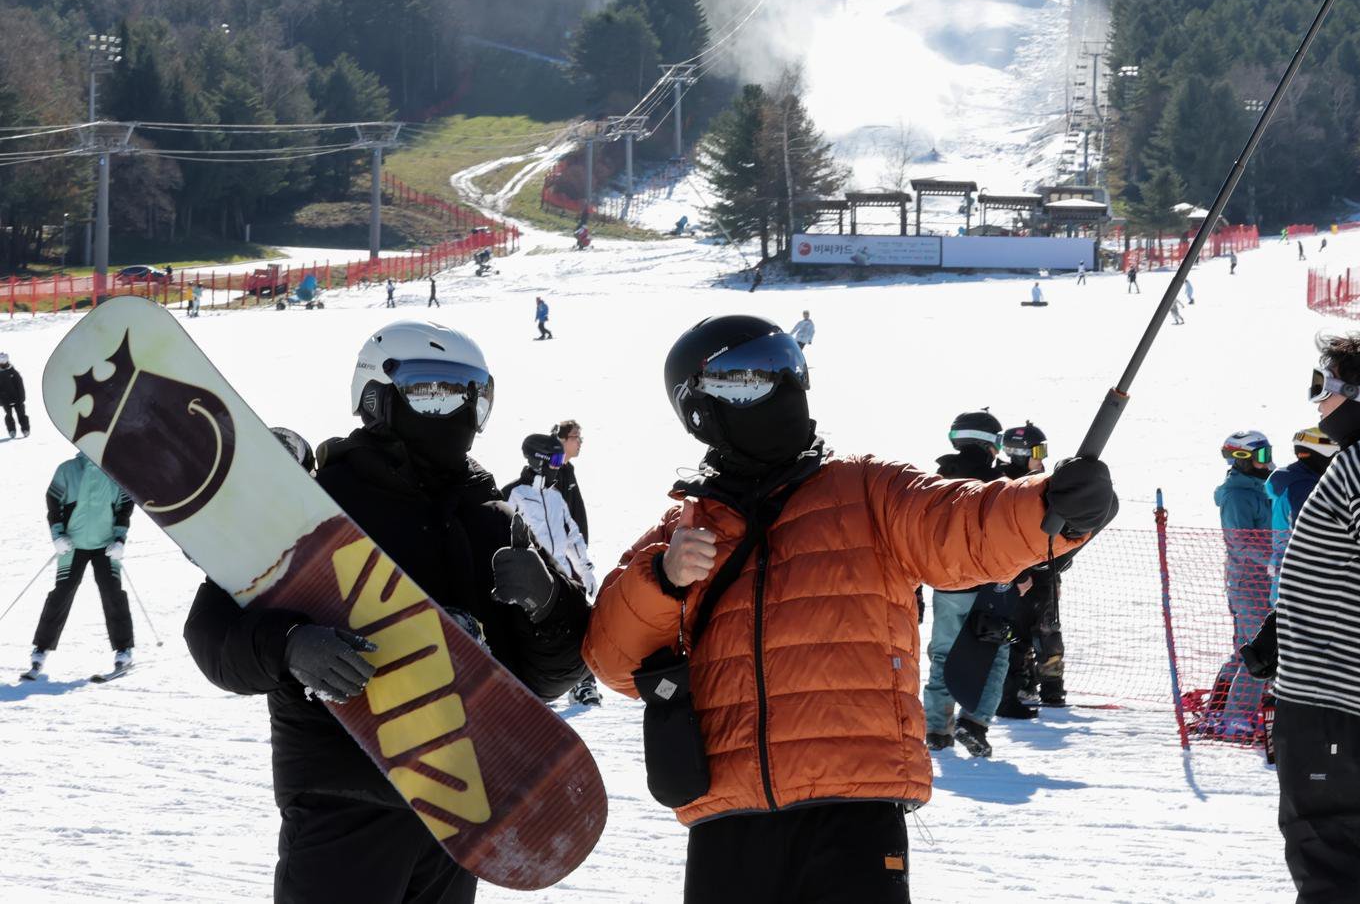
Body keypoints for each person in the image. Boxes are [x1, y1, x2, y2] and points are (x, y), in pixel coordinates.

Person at [582, 317, 1117, 902]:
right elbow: (612, 659)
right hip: (727, 815)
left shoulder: (864, 491)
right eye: (747, 378)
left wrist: (1053, 506)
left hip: (853, 806)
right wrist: (662, 579)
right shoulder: (684, 532)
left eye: (786, 366)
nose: (781, 386)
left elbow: (962, 525)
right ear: (699, 408)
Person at [184, 320, 591, 903]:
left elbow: (549, 679)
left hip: (461, 805)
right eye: (430, 391)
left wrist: (548, 604)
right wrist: (290, 646)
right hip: (343, 799)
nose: (452, 409)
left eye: (468, 394)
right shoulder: (316, 503)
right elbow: (211, 635)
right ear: (376, 397)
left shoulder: (493, 518)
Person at [1243, 331, 1360, 903]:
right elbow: (1355, 573)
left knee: (1333, 860)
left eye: (1322, 388)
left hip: (1338, 708)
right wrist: (1282, 631)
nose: (1317, 402)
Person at [922, 410, 1018, 757]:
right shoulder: (1001, 482)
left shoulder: (934, 482)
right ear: (992, 442)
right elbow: (1012, 533)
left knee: (943, 654)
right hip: (989, 584)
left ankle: (936, 729)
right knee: (994, 652)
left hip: (946, 582)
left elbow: (918, 533)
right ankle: (974, 723)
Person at [507, 433, 601, 706]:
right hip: (530, 581)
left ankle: (583, 685)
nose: (560, 466)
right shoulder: (515, 494)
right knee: (535, 637)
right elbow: (499, 531)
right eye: (557, 460)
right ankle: (525, 689)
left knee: (578, 629)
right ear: (540, 461)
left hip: (560, 577)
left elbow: (572, 536)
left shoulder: (556, 497)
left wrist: (585, 571)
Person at [26, 453, 135, 678]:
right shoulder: (68, 469)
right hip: (72, 545)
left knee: (112, 593)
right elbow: (53, 501)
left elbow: (125, 505)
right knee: (62, 592)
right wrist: (57, 535)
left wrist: (119, 539)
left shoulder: (116, 471)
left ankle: (123, 649)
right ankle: (41, 650)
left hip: (105, 545)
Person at [995, 422, 1066, 718]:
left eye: (1044, 450)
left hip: (1045, 571)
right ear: (1019, 452)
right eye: (1038, 451)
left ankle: (1052, 687)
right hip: (1018, 574)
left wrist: (1060, 565)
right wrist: (1019, 574)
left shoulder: (1044, 482)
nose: (1043, 457)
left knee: (1049, 630)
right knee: (1018, 633)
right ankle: (1020, 685)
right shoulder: (1003, 484)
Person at [1208, 430, 1274, 736]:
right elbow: (1240, 541)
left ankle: (1220, 706)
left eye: (1268, 453)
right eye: (1261, 456)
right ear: (1242, 459)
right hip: (1248, 581)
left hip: (1260, 580)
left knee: (1245, 648)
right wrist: (1275, 557)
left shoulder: (1261, 487)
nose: (1269, 461)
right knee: (1259, 653)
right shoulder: (1238, 495)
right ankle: (1237, 717)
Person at [1264, 428, 1337, 604]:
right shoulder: (1303, 486)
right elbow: (1310, 535)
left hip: (1289, 577)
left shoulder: (1293, 479)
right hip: (1303, 582)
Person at [0, 352, 28, 438]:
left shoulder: (13, 372)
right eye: (1, 362)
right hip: (5, 400)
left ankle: (25, 429)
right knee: (8, 416)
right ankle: (12, 430)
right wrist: (1, 401)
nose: (3, 364)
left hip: (17, 398)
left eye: (4, 362)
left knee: (21, 414)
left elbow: (20, 385)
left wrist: (22, 397)